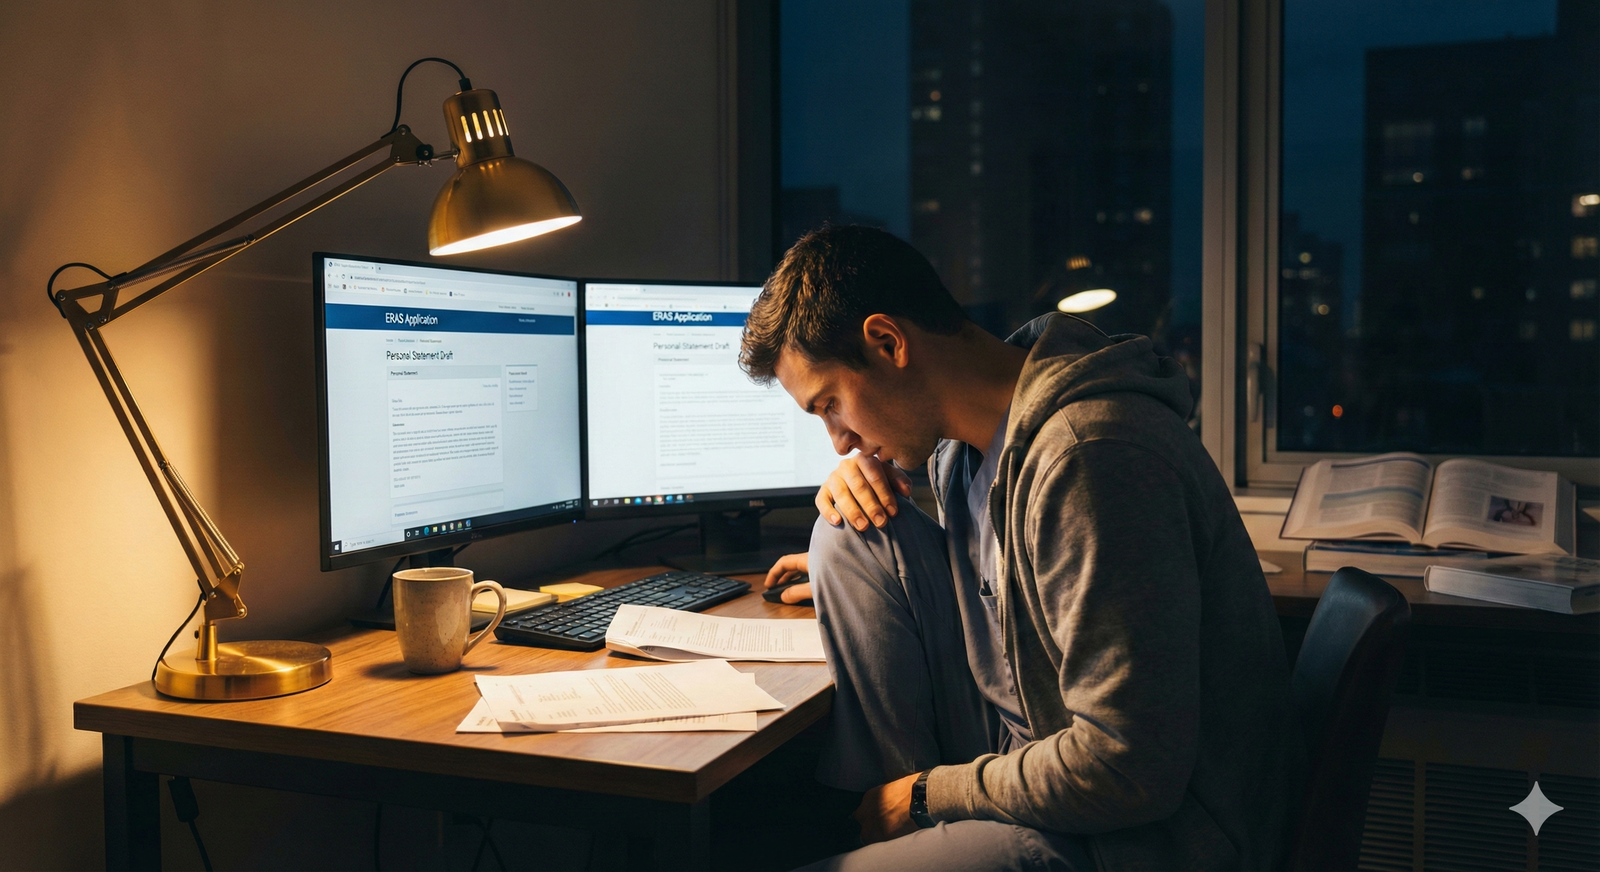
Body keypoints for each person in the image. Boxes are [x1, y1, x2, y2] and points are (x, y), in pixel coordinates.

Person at [741, 226, 1305, 871]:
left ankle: (897, 819)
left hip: (1145, 835)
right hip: (1030, 740)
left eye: (831, 404)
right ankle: (885, 829)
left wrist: (927, 795)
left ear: (889, 342)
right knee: (847, 531)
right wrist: (862, 570)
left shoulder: (1090, 457)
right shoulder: (964, 447)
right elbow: (1009, 592)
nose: (839, 441)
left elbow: (1129, 770)